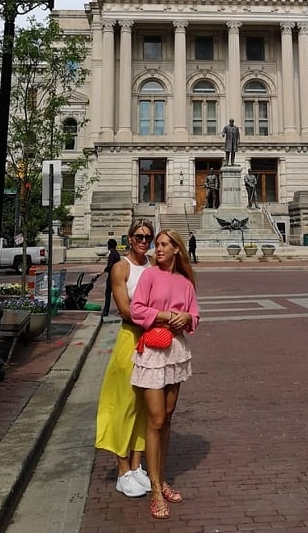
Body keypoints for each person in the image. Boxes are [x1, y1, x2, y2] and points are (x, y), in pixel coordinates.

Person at [130, 229, 200, 520]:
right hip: (153, 352)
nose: (157, 249)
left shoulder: (185, 283)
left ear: (176, 250)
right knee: (156, 418)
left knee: (168, 417)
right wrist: (163, 316)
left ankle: (161, 477)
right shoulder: (149, 276)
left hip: (175, 352)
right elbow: (136, 309)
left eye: (162, 245)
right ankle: (155, 488)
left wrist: (186, 317)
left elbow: (195, 314)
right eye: (156, 244)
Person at [95, 220, 155, 498]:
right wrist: (162, 318)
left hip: (153, 342)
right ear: (129, 239)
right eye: (139, 237)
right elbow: (125, 310)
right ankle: (122, 471)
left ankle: (136, 466)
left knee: (146, 405)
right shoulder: (121, 268)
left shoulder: (154, 267)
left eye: (148, 237)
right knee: (124, 403)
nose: (144, 241)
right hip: (131, 339)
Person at [102, 238, 121, 318]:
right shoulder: (117, 254)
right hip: (117, 276)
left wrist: (102, 271)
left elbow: (109, 266)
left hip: (111, 277)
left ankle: (106, 311)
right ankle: (121, 309)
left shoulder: (111, 254)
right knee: (117, 294)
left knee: (108, 294)